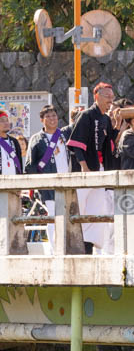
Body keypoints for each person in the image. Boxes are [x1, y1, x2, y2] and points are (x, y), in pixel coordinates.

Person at [67, 83, 119, 254]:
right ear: (96, 96)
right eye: (107, 97)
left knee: (96, 209)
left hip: (100, 167)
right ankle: (76, 242)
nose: (110, 100)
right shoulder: (86, 115)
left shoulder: (105, 118)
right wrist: (84, 167)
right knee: (80, 206)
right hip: (86, 167)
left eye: (112, 97)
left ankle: (89, 246)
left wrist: (116, 124)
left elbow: (110, 144)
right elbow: (76, 144)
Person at [25, 106, 70, 253]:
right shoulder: (36, 139)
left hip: (67, 182)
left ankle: (65, 247)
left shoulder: (64, 135)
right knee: (52, 217)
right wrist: (36, 185)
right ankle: (53, 250)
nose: (52, 119)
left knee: (67, 216)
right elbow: (30, 165)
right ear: (42, 120)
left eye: (54, 116)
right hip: (48, 185)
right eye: (48, 116)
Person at [0, 110, 23, 177]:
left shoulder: (14, 141)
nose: (6, 123)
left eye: (7, 120)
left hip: (15, 183)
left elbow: (20, 163)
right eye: (2, 121)